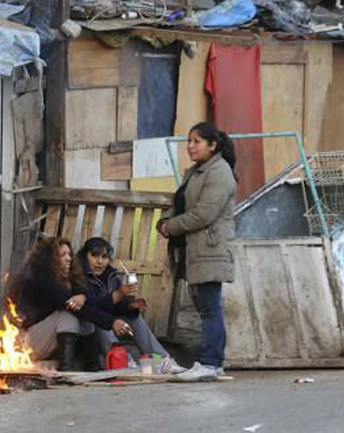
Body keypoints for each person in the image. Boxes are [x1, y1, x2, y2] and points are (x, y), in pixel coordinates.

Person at [157, 122, 237, 381]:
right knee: (206, 307)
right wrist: (166, 221)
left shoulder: (219, 173)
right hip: (196, 249)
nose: (190, 146)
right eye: (188, 141)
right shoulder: (196, 172)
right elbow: (180, 202)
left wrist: (171, 227)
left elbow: (204, 213)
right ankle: (211, 361)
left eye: (196, 141)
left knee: (210, 307)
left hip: (209, 248)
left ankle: (211, 362)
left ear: (212, 145)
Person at [10, 237, 133, 371]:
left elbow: (91, 302)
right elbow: (77, 308)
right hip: (26, 345)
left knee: (83, 317)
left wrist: (83, 295)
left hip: (44, 342)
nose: (69, 258)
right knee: (68, 316)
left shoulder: (67, 278)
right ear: (50, 258)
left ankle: (93, 366)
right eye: (63, 255)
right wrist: (112, 322)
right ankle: (65, 370)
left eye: (69, 254)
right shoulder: (43, 281)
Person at [75, 237, 187, 374]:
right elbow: (91, 308)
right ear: (85, 256)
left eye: (104, 257)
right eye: (94, 256)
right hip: (89, 327)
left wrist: (129, 306)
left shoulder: (110, 276)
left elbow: (114, 307)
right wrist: (119, 294)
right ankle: (124, 361)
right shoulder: (78, 275)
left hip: (109, 321)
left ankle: (162, 361)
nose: (100, 262)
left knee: (134, 319)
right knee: (100, 320)